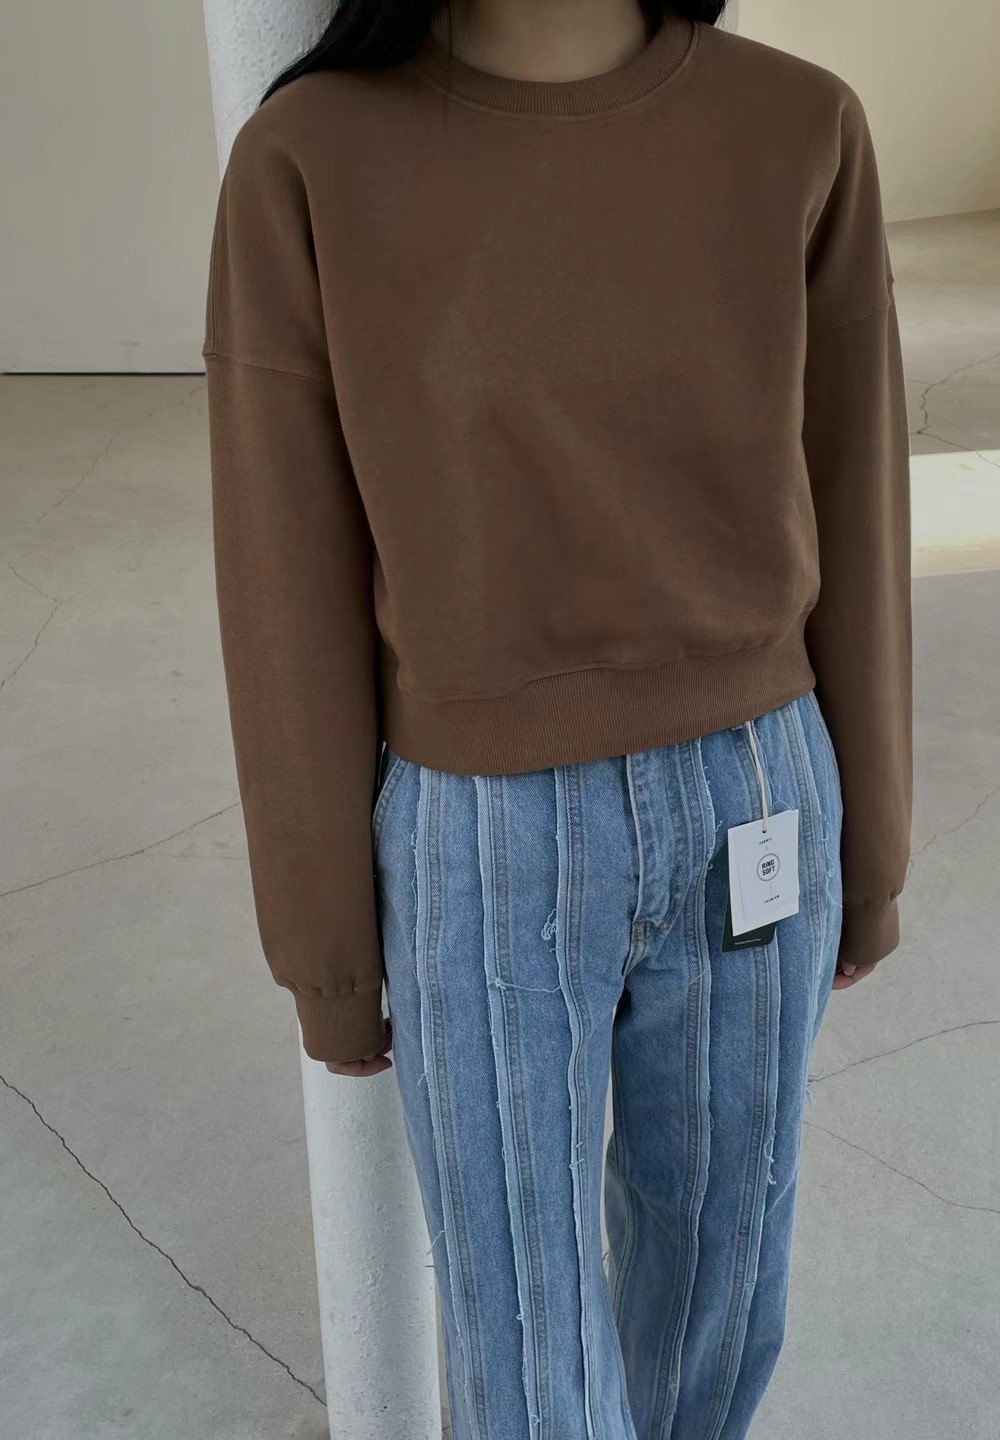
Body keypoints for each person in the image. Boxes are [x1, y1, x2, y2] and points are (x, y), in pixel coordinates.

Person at [203, 0, 912, 1433]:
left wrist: (877, 851)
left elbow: (859, 485)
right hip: (482, 836)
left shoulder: (800, 126)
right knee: (525, 1354)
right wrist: (325, 944)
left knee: (723, 1292)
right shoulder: (311, 159)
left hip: (757, 794)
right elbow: (286, 574)